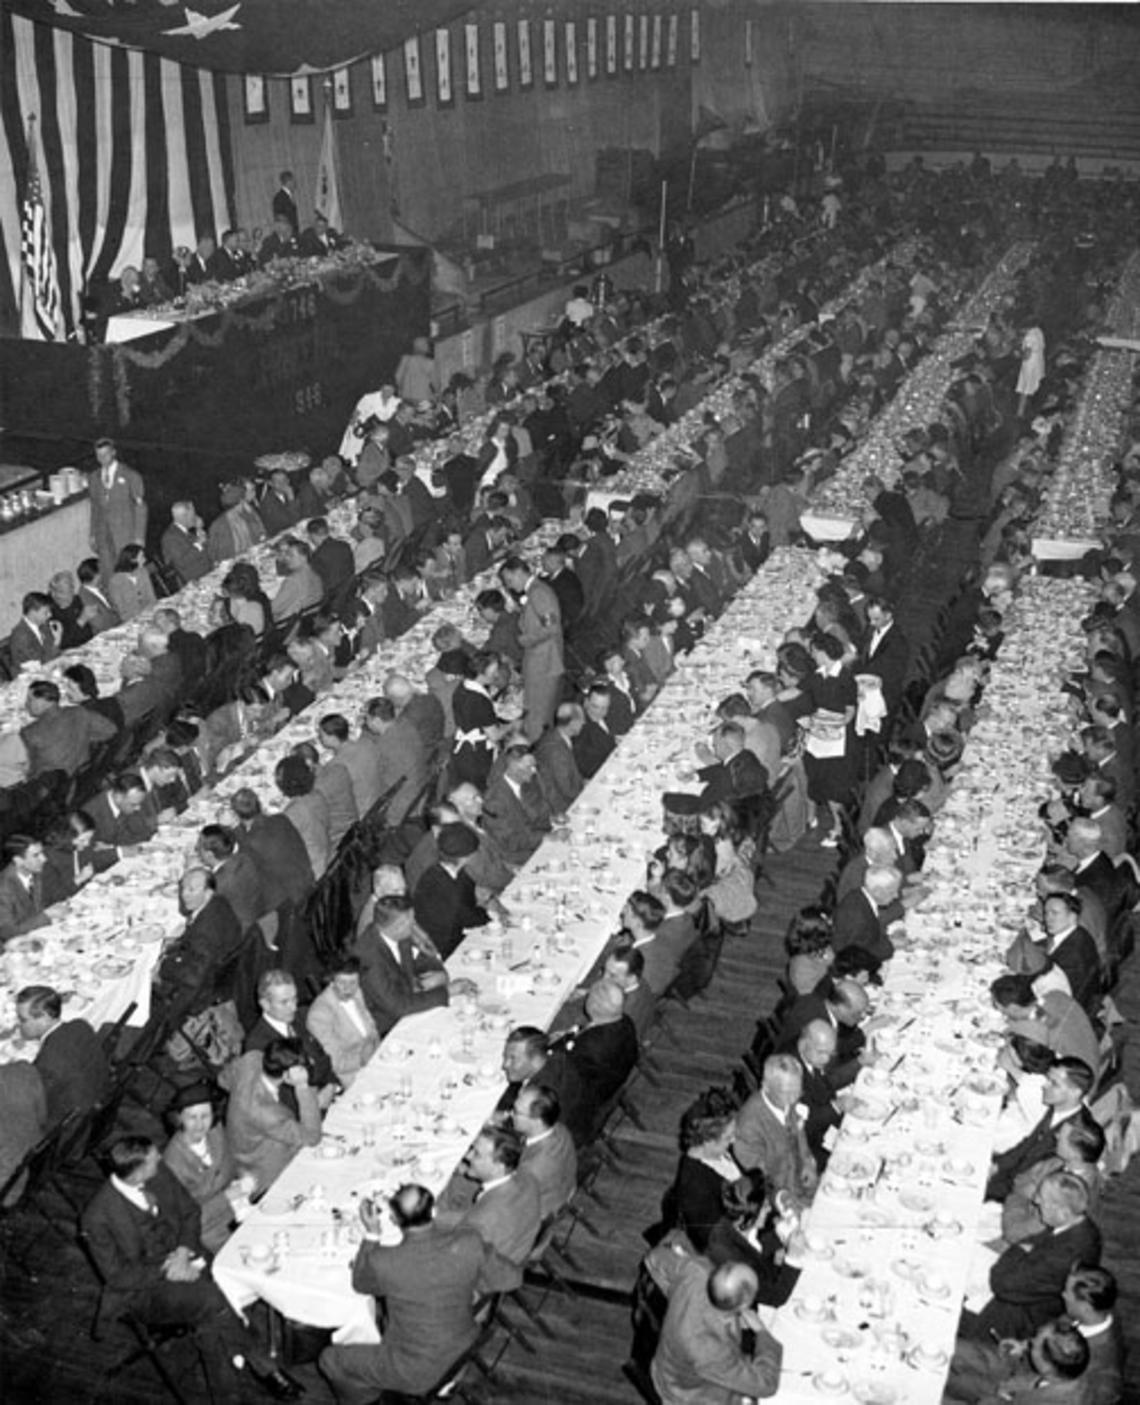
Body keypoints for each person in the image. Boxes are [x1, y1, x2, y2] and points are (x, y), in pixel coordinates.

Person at [82, 1136, 300, 1400]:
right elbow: (117, 1277)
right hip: (143, 1291)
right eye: (153, 1160)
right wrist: (168, 1267)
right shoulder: (97, 1216)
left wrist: (183, 1253)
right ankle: (266, 1369)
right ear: (137, 1171)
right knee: (211, 1299)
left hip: (185, 1257)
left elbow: (190, 1212)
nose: (160, 1160)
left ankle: (228, 1397)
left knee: (212, 1314)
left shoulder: (159, 1173)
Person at [318, 1184, 496, 1405]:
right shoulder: (469, 1241)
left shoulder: (386, 1261)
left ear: (393, 1219)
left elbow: (360, 1283)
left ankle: (369, 1400)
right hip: (464, 1340)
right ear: (433, 1212)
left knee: (330, 1359)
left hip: (420, 1370)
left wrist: (372, 1234)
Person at [966, 1170, 1102, 1342]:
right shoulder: (1079, 1224)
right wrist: (1022, 1250)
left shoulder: (1063, 1256)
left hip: (1020, 1317)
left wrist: (1018, 1251)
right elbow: (1028, 1241)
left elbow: (1001, 1284)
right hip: (1022, 1280)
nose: (1036, 1201)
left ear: (1063, 1212)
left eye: (1042, 1200)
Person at [649, 1251, 782, 1402]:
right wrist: (762, 1333)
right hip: (685, 1394)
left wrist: (676, 1293)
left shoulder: (695, 1270)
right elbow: (766, 1384)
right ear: (744, 1305)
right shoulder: (710, 1350)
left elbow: (655, 1258)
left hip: (671, 1361)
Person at [442, 1125, 542, 1290]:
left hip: (477, 1282)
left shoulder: (480, 1221)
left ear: (498, 1167)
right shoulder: (527, 1179)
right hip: (510, 1252)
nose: (467, 1156)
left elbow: (474, 1226)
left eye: (476, 1154)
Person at [987, 1057, 1099, 1203]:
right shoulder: (1059, 1108)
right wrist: (997, 1166)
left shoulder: (1074, 1136)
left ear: (1075, 1093)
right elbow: (1028, 1144)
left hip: (1023, 1194)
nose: (1044, 1086)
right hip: (1012, 1175)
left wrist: (995, 1185)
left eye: (1054, 1083)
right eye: (1048, 1079)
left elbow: (1041, 1189)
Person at [221, 1036, 322, 1193]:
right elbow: (313, 1137)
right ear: (288, 1076)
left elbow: (223, 1079)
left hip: (246, 1148)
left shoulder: (252, 1058)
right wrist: (302, 1086)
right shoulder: (266, 1113)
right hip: (265, 1172)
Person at [161, 1085, 248, 1253]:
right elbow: (187, 1219)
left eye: (205, 1116)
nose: (200, 1124)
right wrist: (226, 1197)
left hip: (240, 1208)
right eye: (192, 1117)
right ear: (179, 1118)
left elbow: (231, 1163)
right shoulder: (172, 1163)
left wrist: (244, 1176)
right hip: (210, 1230)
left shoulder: (216, 1130)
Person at [353, 892, 450, 1037]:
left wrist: (439, 974)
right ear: (397, 926)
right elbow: (398, 1007)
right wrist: (447, 992)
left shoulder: (398, 934)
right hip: (387, 1026)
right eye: (410, 923)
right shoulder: (369, 957)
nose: (414, 926)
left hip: (408, 1001)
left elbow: (422, 959)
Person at [16, 984, 111, 1126]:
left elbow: (35, 1105)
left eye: (23, 1019)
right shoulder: (80, 1025)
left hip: (69, 1123)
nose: (19, 1025)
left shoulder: (47, 1065)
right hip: (97, 1094)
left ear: (44, 1018)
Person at [732, 1053, 818, 1210]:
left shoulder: (784, 1099)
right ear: (766, 1086)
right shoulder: (748, 1127)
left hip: (800, 1183)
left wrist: (807, 1161)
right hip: (777, 1204)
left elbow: (799, 1131)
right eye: (787, 1093)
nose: (793, 1099)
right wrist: (785, 1199)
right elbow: (760, 1181)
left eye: (797, 1091)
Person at [243, 970, 339, 1109]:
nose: (293, 1007)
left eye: (295, 999)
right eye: (284, 1002)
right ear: (265, 1004)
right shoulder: (257, 1045)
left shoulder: (298, 1019)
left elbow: (322, 1057)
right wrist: (313, 1104)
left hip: (330, 1094)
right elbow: (275, 1098)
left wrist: (331, 1084)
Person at [948, 1319, 1092, 1405]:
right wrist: (1021, 1348)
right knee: (952, 1349)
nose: (1030, 1343)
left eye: (1034, 1345)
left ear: (1046, 1368)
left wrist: (996, 1398)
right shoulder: (1064, 1370)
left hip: (999, 1399)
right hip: (1011, 1381)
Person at [564, 978, 639, 1139]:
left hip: (579, 1111)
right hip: (611, 1084)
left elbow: (563, 1076)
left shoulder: (587, 1049)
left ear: (590, 1006)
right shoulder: (626, 1022)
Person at [499, 555, 564, 741]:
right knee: (541, 709)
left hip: (543, 661)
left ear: (518, 572)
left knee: (536, 711)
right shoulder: (536, 591)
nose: (509, 586)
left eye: (509, 580)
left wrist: (524, 640)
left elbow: (551, 627)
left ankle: (535, 750)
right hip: (544, 658)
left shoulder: (538, 594)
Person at [412, 822, 489, 960]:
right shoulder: (445, 887)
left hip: (452, 935)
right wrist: (489, 915)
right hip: (445, 950)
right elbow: (468, 917)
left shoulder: (436, 871)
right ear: (466, 857)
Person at [305, 955, 381, 1088]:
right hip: (352, 1075)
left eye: (353, 983)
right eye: (342, 983)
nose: (348, 989)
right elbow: (335, 1063)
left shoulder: (356, 992)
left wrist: (378, 1051)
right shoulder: (319, 1015)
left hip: (375, 1059)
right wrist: (364, 1059)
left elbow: (371, 1028)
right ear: (331, 982)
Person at [21, 678, 116, 778]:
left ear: (43, 701)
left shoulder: (29, 733)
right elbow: (110, 730)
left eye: (30, 699)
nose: (26, 704)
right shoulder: (79, 712)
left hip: (52, 787)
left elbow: (27, 770)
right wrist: (82, 736)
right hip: (82, 776)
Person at [483, 741, 556, 869]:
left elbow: (542, 811)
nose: (534, 771)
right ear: (514, 768)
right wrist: (546, 837)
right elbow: (511, 841)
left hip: (538, 841)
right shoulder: (493, 801)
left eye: (534, 766)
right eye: (529, 767)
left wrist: (553, 822)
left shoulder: (528, 783)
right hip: (517, 857)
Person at [511, 1084, 578, 1222]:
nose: (511, 1114)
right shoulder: (560, 1129)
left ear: (536, 1121)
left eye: (516, 1112)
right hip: (561, 1189)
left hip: (534, 1213)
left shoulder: (532, 1168)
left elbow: (511, 1198)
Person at [89, 437, 147, 584]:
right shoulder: (94, 478)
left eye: (106, 454)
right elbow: (95, 508)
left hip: (125, 532)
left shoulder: (130, 476)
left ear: (113, 453)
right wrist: (92, 533)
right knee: (109, 573)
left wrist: (139, 537)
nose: (102, 458)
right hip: (103, 534)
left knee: (130, 570)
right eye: (99, 455)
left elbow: (140, 507)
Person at [0, 835, 50, 944]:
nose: (44, 859)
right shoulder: (3, 888)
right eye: (36, 855)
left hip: (38, 935)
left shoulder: (34, 873)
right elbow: (8, 932)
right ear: (18, 860)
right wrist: (47, 916)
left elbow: (37, 908)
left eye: (42, 853)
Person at [161, 501, 213, 585]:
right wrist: (199, 544)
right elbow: (182, 562)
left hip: (209, 570)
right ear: (183, 517)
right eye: (193, 515)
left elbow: (207, 548)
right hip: (196, 579)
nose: (196, 517)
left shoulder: (185, 531)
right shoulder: (170, 537)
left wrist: (199, 529)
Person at [9, 592, 61, 669]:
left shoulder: (43, 626)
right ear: (32, 613)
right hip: (31, 675)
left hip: (48, 668)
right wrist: (57, 640)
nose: (50, 615)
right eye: (45, 612)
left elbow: (52, 652)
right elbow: (43, 662)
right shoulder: (21, 636)